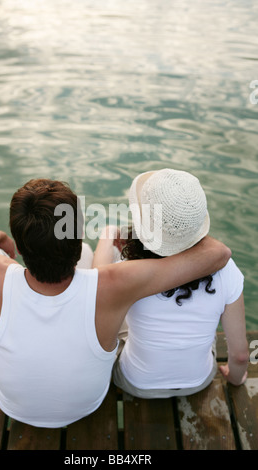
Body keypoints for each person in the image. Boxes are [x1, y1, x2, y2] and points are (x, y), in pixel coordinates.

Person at [0, 178, 231, 427]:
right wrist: (179, 231)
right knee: (90, 256)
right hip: (87, 405)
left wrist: (0, 237)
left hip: (12, 404)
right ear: (77, 238)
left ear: (20, 250)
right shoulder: (113, 284)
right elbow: (219, 253)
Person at [93, 169, 249, 398]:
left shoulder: (129, 269)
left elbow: (98, 283)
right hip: (199, 381)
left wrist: (108, 233)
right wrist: (236, 379)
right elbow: (241, 356)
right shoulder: (227, 270)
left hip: (137, 383)